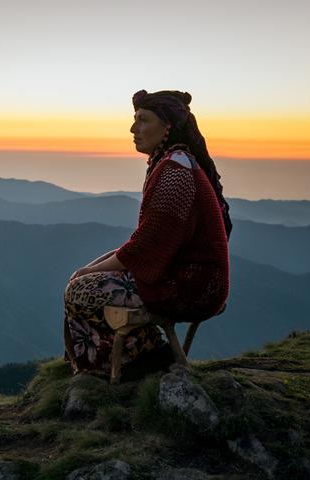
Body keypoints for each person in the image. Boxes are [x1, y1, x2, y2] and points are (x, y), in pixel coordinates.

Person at [62, 89, 231, 378]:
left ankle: (141, 358)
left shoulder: (175, 171)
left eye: (143, 120)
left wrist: (89, 272)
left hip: (189, 287)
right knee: (83, 280)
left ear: (167, 126)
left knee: (79, 290)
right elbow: (146, 240)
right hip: (186, 278)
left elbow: (146, 246)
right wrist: (93, 267)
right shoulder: (173, 162)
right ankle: (138, 353)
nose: (133, 128)